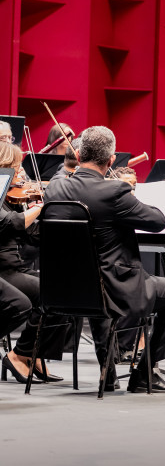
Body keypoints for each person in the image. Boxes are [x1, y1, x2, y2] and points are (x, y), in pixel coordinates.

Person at [43, 126, 165, 393]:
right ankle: (147, 372)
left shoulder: (55, 187)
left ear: (77, 153)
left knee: (101, 277)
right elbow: (158, 221)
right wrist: (131, 197)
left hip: (67, 287)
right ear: (111, 161)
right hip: (113, 288)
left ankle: (108, 372)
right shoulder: (114, 192)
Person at [0, 142, 67, 385]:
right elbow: (10, 224)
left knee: (65, 291)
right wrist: (39, 208)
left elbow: (32, 236)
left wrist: (51, 217)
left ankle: (35, 354)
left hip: (15, 267)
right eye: (16, 167)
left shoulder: (14, 196)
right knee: (48, 293)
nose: (21, 173)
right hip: (3, 270)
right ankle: (20, 354)